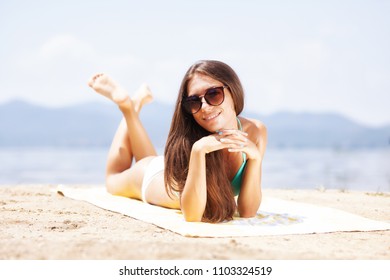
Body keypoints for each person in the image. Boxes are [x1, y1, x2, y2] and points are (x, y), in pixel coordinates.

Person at [88, 60, 267, 223]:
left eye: (213, 94)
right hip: (151, 178)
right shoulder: (191, 142)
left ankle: (135, 105)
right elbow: (192, 215)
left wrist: (255, 158)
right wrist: (198, 151)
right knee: (112, 181)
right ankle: (127, 107)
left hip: (166, 169)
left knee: (148, 158)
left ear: (233, 91)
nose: (205, 107)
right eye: (194, 101)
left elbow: (247, 211)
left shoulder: (255, 132)